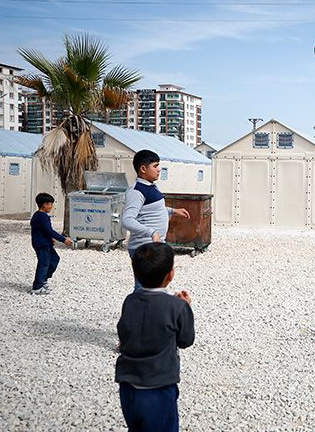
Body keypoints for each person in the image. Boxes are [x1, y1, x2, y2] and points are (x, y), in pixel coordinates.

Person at [116, 242, 195, 432]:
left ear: (136, 274)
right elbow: (186, 340)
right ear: (170, 275)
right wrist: (186, 308)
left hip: (128, 386)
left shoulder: (130, 301)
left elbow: (125, 332)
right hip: (158, 387)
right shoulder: (177, 307)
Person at [122, 149, 190, 291]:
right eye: (155, 166)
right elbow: (127, 220)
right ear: (143, 169)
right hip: (143, 248)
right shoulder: (136, 191)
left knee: (154, 285)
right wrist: (152, 232)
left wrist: (173, 211)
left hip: (153, 246)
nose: (159, 169)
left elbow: (153, 210)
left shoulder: (151, 186)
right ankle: (137, 311)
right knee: (144, 286)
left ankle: (148, 310)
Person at [30, 193, 72, 295]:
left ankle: (43, 279)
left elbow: (44, 231)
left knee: (54, 259)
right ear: (44, 205)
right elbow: (50, 230)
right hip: (41, 244)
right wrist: (63, 240)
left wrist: (50, 239)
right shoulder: (42, 217)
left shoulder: (39, 215)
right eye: (50, 204)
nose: (51, 207)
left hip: (45, 243)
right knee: (44, 263)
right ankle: (37, 287)